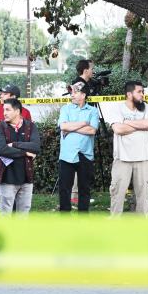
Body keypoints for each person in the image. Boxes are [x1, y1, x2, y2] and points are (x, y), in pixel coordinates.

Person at [109, 81, 148, 216]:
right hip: (122, 158)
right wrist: (140, 125)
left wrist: (127, 122)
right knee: (117, 193)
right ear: (129, 94)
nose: (142, 95)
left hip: (143, 158)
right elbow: (118, 129)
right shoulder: (117, 108)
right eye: (139, 92)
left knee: (143, 194)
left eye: (143, 92)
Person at [0, 84, 32, 211]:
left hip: (16, 156)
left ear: (14, 97)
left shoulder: (25, 112)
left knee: (15, 188)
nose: (1, 95)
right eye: (1, 93)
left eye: (4, 93)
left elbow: (28, 135)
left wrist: (17, 149)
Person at [57, 81, 99, 212]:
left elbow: (92, 130)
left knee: (84, 189)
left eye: (76, 92)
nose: (72, 95)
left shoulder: (93, 111)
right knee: (64, 189)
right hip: (67, 155)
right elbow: (63, 126)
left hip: (85, 155)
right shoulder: (65, 109)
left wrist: (72, 127)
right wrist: (83, 123)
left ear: (84, 95)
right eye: (71, 92)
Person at [0, 98, 40, 214]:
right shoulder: (0, 127)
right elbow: (2, 150)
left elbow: (35, 147)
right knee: (6, 213)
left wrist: (14, 144)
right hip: (7, 177)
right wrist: (25, 152)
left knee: (24, 212)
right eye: (4, 110)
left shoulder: (31, 126)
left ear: (17, 111)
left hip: (26, 178)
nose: (4, 113)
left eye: (8, 110)